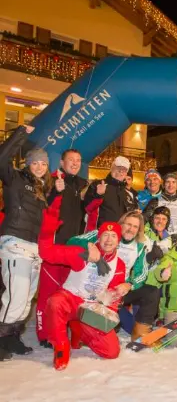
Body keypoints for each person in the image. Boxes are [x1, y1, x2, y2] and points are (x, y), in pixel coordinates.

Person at [38, 201, 130, 371]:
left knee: (111, 352)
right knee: (55, 302)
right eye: (105, 235)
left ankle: (80, 329)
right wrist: (48, 230)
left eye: (113, 236)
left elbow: (113, 295)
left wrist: (121, 290)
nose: (109, 240)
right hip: (69, 300)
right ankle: (61, 346)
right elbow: (46, 253)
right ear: (99, 237)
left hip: (91, 309)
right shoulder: (81, 254)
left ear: (118, 241)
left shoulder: (119, 265)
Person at [0, 125, 52, 361]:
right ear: (27, 164)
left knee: (27, 299)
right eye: (35, 163)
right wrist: (20, 133)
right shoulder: (15, 179)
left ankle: (13, 337)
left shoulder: (41, 189)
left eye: (43, 164)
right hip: (15, 243)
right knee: (15, 296)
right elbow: (2, 158)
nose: (40, 167)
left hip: (33, 248)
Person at [66, 211, 159, 338]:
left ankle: (141, 333)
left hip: (120, 290)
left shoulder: (139, 247)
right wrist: (90, 246)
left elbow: (142, 273)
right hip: (97, 288)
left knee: (151, 291)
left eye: (135, 227)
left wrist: (129, 284)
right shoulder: (105, 234)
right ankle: (90, 328)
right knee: (108, 327)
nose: (131, 229)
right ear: (121, 224)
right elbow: (72, 241)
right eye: (128, 224)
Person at [36, 148, 88, 348]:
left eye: (78, 160)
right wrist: (55, 192)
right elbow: (44, 208)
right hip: (54, 247)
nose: (75, 163)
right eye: (71, 159)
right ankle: (45, 334)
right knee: (48, 293)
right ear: (61, 162)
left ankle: (61, 330)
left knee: (66, 294)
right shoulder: (51, 180)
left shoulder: (80, 185)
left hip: (72, 250)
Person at [84, 156, 132, 230]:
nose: (121, 171)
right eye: (118, 168)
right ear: (112, 168)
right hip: (98, 233)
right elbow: (87, 208)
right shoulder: (98, 185)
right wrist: (98, 195)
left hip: (118, 233)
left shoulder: (128, 193)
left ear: (126, 173)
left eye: (124, 170)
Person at [144, 173, 177, 240]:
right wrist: (164, 236)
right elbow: (146, 221)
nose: (170, 185)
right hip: (160, 239)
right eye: (168, 182)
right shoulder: (155, 201)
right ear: (164, 185)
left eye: (173, 182)